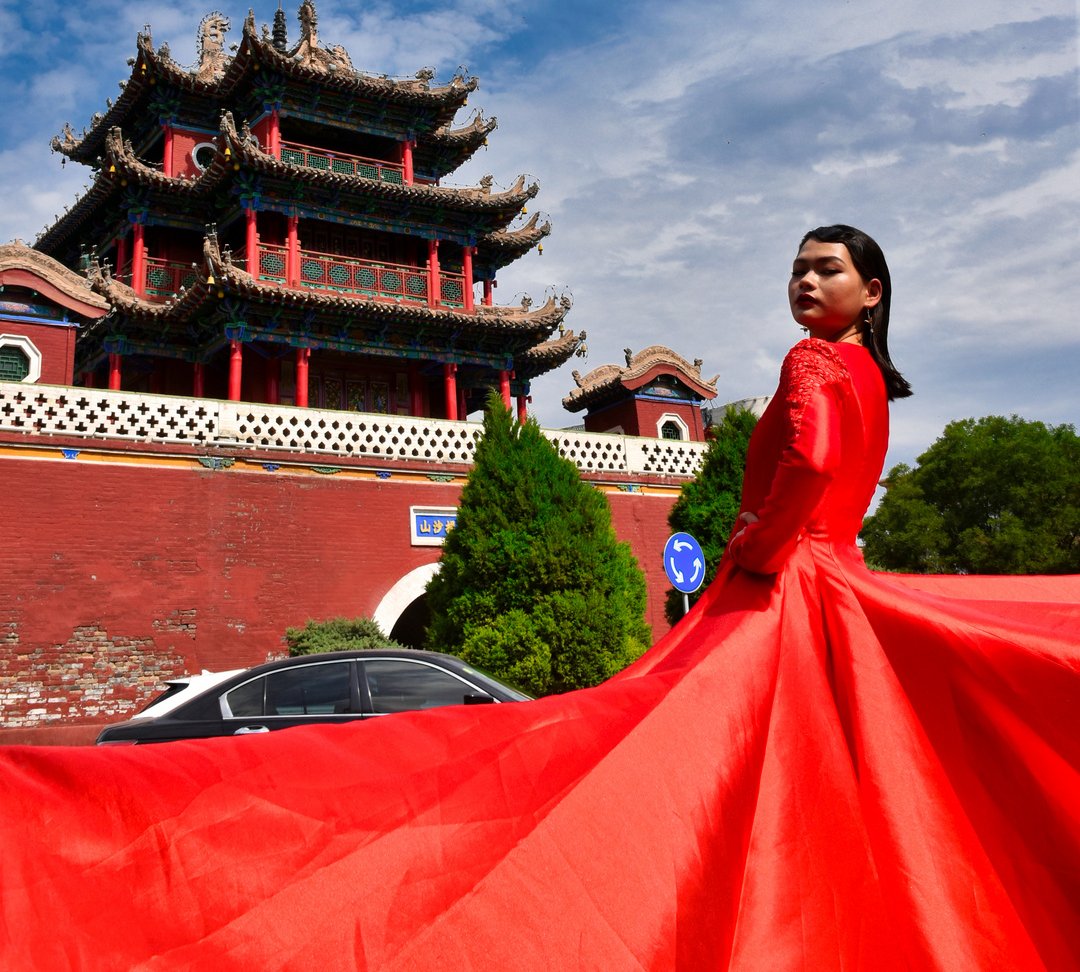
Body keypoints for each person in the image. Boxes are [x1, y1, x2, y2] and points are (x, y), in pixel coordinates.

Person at [2, 226, 1079, 972]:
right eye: (795, 270)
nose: (804, 285)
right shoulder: (870, 380)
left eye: (825, 269)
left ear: (869, 292)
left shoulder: (810, 365)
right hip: (848, 588)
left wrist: (754, 539)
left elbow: (805, 464)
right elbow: (842, 465)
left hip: (784, 591)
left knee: (642, 775)